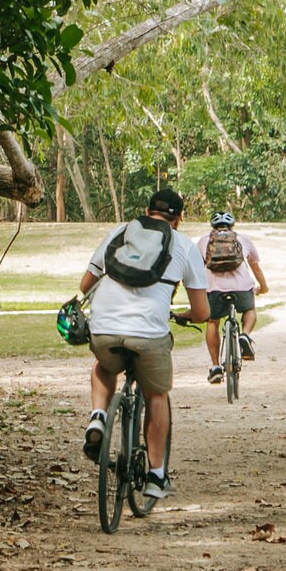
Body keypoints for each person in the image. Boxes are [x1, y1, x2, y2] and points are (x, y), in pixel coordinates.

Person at [78, 188, 211, 508]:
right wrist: (183, 316)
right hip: (149, 332)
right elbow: (203, 313)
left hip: (104, 326)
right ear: (178, 219)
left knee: (104, 366)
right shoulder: (184, 245)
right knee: (156, 395)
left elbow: (85, 284)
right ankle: (155, 475)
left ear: (147, 210)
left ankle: (98, 415)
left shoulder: (121, 232)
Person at [195, 211, 268, 382]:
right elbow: (255, 266)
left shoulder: (203, 242)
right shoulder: (243, 240)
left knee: (213, 321)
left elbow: (197, 269)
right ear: (232, 225)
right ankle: (246, 335)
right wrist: (263, 287)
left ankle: (215, 367)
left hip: (214, 290)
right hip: (242, 288)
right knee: (249, 309)